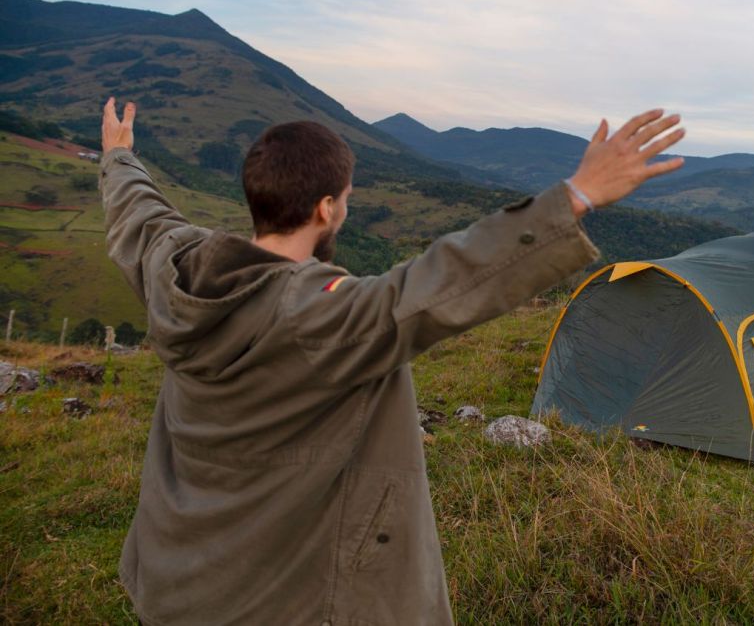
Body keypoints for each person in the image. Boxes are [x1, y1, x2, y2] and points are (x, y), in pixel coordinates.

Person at [100, 97, 685, 625]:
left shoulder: (174, 272)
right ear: (327, 209)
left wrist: (121, 158)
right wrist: (579, 195)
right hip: (280, 602)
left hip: (177, 581)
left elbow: (141, 217)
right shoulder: (316, 315)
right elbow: (438, 282)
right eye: (347, 201)